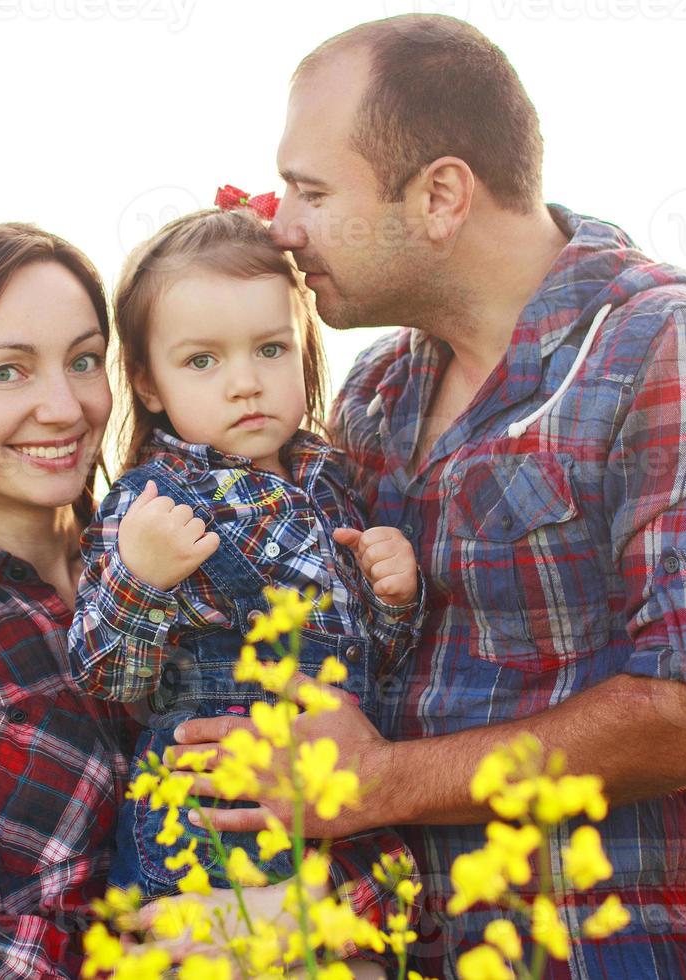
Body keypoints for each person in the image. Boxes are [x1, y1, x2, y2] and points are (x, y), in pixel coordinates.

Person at [171, 15, 686, 978]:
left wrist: (381, 784)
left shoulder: (666, 347)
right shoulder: (374, 392)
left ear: (440, 195)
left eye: (311, 191)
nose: (281, 225)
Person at [0, 219, 404, 978]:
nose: (63, 407)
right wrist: (186, 947)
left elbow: (380, 808)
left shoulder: (224, 551)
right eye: (8, 372)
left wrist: (288, 915)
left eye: (84, 361)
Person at [66, 206, 424, 909]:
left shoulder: (334, 483)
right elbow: (105, 673)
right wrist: (140, 579)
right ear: (147, 384)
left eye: (270, 349)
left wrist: (394, 598)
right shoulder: (154, 503)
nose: (245, 382)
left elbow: (376, 665)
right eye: (202, 360)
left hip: (341, 815)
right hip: (214, 823)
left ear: (304, 349)